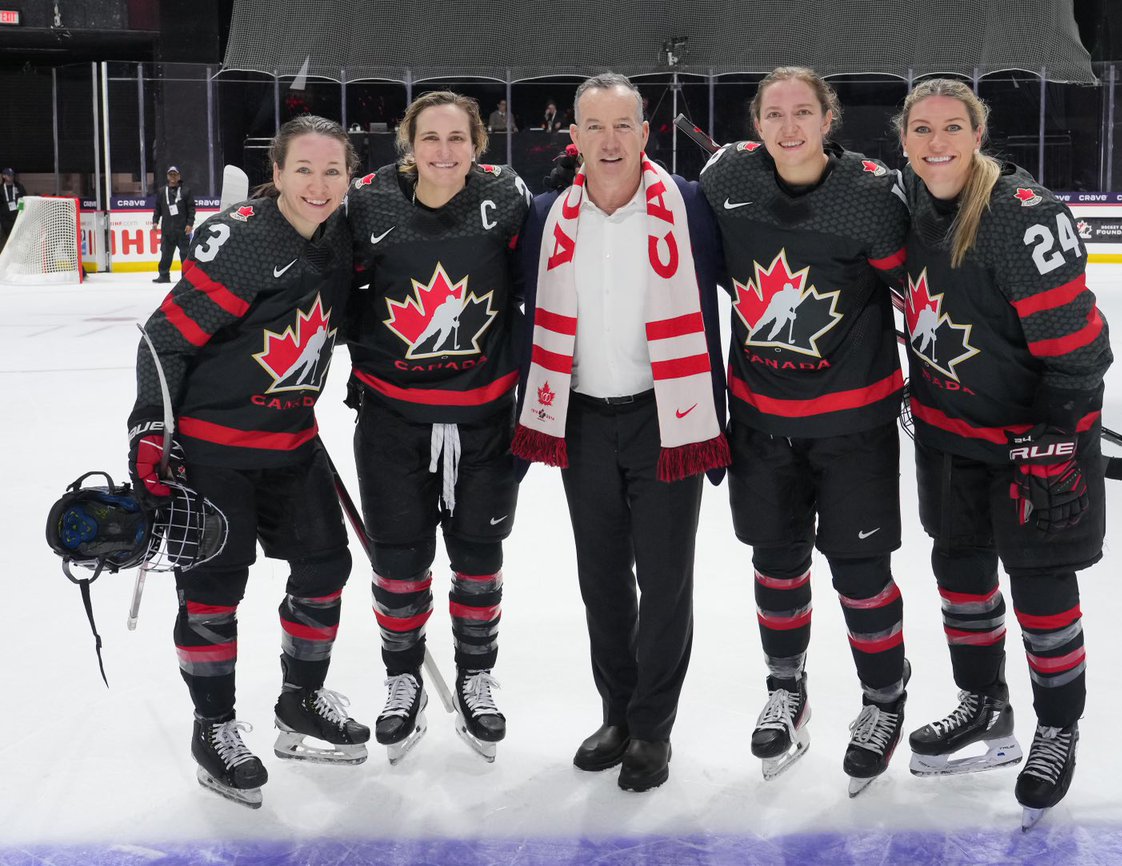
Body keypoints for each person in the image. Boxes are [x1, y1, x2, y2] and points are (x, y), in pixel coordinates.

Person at [126, 115, 366, 809]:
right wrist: (149, 426)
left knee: (326, 566)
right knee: (213, 591)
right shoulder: (250, 241)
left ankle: (301, 702)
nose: (319, 185)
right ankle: (214, 728)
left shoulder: (339, 240)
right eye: (304, 170)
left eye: (333, 171)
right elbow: (162, 338)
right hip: (214, 451)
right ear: (279, 173)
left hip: (292, 443)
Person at [894, 79, 1111, 828]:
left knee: (1042, 593)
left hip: (1029, 448)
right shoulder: (911, 202)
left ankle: (1058, 726)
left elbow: (1082, 348)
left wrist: (1061, 433)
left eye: (952, 127)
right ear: (904, 139)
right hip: (950, 441)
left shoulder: (1019, 218)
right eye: (921, 129)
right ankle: (984, 705)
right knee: (961, 580)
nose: (937, 142)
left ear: (978, 134)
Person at [512, 72, 730, 792]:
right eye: (594, 127)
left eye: (623, 126)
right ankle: (617, 712)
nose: (609, 141)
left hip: (668, 417)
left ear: (646, 133)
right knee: (602, 581)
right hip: (580, 417)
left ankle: (652, 730)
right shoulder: (545, 217)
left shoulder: (692, 208)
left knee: (665, 582)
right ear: (573, 138)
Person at [698, 67, 911, 794]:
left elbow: (921, 288)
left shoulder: (871, 195)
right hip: (760, 423)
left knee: (860, 574)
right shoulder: (728, 179)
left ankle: (884, 699)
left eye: (804, 112)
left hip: (853, 427)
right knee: (776, 563)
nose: (789, 127)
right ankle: (786, 686)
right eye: (774, 114)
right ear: (756, 123)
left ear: (830, 118)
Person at [344, 91, 530, 764]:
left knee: (478, 559)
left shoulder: (506, 196)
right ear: (408, 141)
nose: (444, 151)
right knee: (399, 563)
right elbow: (333, 286)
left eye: (458, 138)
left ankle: (477, 676)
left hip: (484, 418)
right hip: (393, 417)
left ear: (477, 144)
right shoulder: (367, 202)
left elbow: (532, 283)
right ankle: (403, 682)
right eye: (430, 138)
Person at [151, 166, 196, 283]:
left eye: (175, 175)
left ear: (179, 176)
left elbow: (191, 209)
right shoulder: (162, 191)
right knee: (165, 254)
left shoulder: (186, 191)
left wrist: (190, 224)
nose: (173, 177)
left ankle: (186, 277)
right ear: (167, 176)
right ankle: (164, 275)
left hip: (183, 230)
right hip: (167, 230)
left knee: (185, 255)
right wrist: (155, 221)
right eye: (171, 175)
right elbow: (157, 208)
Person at [0, 167, 26, 252]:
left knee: (18, 239)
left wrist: (21, 212)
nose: (11, 177)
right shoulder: (1, 189)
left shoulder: (19, 187)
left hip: (17, 218)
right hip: (5, 220)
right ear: (3, 176)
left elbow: (23, 199)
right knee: (5, 240)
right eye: (8, 175)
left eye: (12, 175)